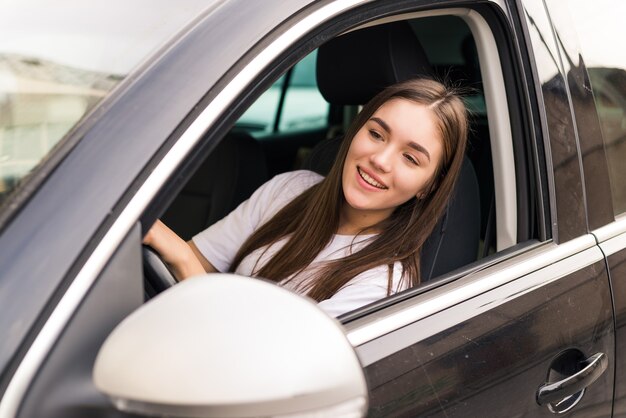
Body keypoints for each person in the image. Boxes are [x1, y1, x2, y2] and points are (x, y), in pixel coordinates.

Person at [144, 78, 468, 317]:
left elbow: (268, 366)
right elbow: (190, 263)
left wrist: (182, 260)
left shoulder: (381, 285)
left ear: (428, 186)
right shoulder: (291, 189)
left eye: (410, 158)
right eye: (376, 134)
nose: (380, 160)